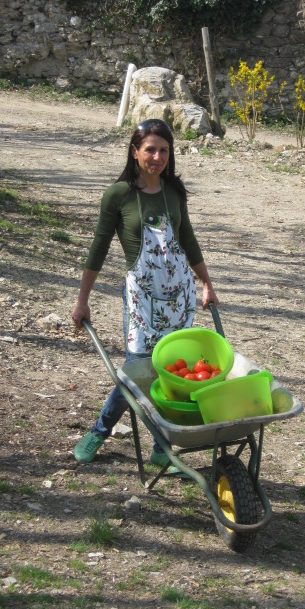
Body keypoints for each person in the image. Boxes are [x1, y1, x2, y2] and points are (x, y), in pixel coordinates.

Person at [71, 118, 219, 466]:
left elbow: (188, 238)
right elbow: (98, 248)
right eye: (150, 150)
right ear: (134, 151)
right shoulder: (118, 195)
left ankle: (161, 450)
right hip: (142, 298)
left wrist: (206, 284)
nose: (157, 157)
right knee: (136, 371)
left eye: (164, 150)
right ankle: (99, 431)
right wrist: (82, 301)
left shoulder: (174, 192)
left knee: (172, 371)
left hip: (179, 297)